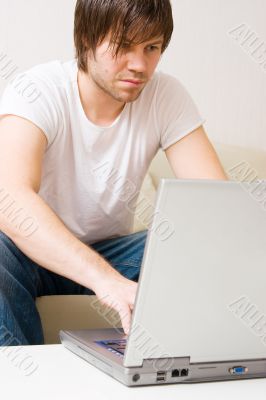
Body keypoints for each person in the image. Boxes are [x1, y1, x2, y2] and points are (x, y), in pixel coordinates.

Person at [0, 0, 227, 346]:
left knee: (194, 241)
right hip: (26, 254)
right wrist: (104, 280)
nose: (140, 65)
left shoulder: (165, 95)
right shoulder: (38, 91)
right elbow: (9, 199)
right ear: (86, 39)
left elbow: (218, 204)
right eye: (123, 46)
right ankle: (24, 385)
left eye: (151, 47)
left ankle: (192, 370)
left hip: (111, 252)